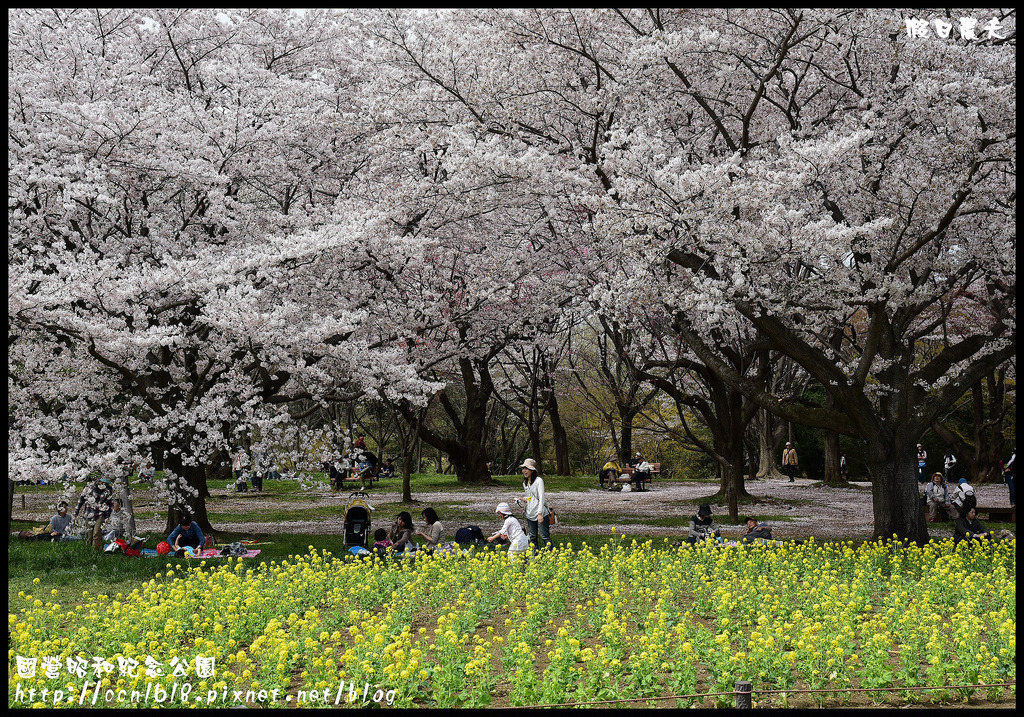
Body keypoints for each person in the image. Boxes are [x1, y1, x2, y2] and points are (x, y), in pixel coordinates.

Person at [75, 475, 114, 550]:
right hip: (89, 513)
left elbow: (110, 503)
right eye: (103, 483)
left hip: (101, 514)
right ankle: (88, 550)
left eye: (106, 484)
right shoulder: (90, 488)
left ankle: (95, 551)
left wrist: (108, 515)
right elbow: (81, 500)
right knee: (89, 535)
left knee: (96, 532)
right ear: (100, 482)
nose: (104, 485)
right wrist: (76, 511)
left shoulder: (109, 489)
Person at [519, 458, 551, 548]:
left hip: (540, 513)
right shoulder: (525, 483)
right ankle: (534, 556)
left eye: (526, 468)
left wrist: (540, 514)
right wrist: (523, 499)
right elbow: (530, 497)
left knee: (545, 536)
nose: (524, 471)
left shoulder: (538, 481)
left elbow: (541, 498)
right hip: (530, 513)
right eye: (523, 468)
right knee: (532, 537)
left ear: (532, 470)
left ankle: (551, 555)